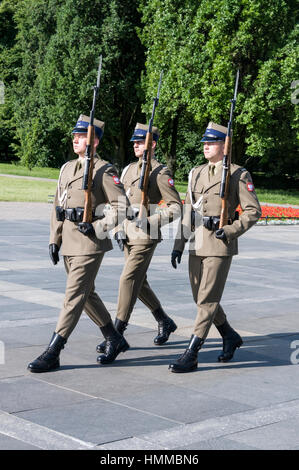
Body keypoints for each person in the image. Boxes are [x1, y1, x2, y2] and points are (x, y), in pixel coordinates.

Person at [28, 114, 130, 373]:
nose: (75, 139)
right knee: (86, 295)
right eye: (74, 135)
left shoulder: (104, 170)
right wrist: (54, 238)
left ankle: (54, 351)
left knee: (73, 297)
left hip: (90, 242)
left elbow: (122, 206)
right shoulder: (66, 168)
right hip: (69, 242)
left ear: (94, 141)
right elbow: (57, 206)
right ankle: (114, 338)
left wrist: (98, 226)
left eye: (81, 136)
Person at [169, 122, 261, 373]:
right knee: (200, 297)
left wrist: (231, 230)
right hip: (197, 242)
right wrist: (179, 244)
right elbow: (190, 211)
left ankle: (192, 352)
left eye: (211, 142)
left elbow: (253, 211)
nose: (206, 146)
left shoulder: (237, 174)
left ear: (224, 146)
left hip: (220, 243)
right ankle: (229, 335)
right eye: (204, 143)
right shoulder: (196, 172)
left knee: (207, 299)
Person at [96, 123, 182, 356]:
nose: (134, 145)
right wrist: (117, 228)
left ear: (152, 145)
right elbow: (119, 203)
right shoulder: (127, 170)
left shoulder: (161, 173)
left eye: (139, 141)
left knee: (127, 279)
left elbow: (176, 207)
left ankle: (116, 333)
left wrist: (151, 221)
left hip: (145, 236)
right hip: (127, 234)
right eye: (133, 141)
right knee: (139, 283)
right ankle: (164, 320)